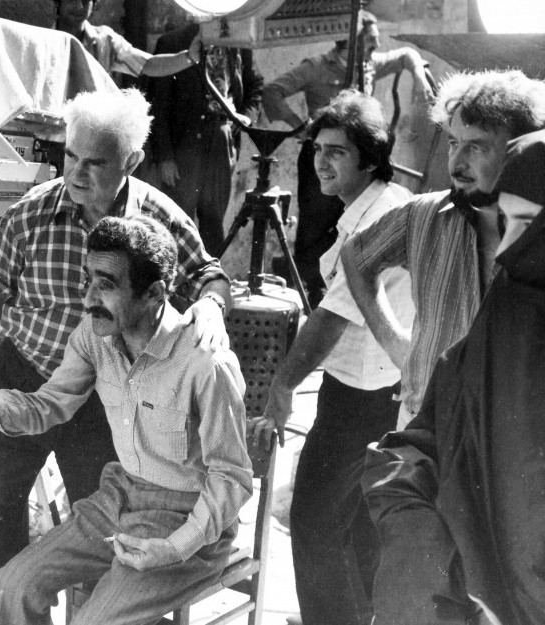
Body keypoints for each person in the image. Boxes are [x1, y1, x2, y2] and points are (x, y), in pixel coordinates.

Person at [0, 88, 233, 625]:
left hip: (108, 400)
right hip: (27, 374)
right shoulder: (28, 215)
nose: (76, 173)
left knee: (103, 539)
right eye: (70, 156)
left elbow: (209, 275)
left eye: (95, 163)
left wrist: (212, 308)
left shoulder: (158, 218)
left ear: (131, 161)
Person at [0, 215, 252, 625]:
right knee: (12, 586)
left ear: (155, 293)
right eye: (88, 281)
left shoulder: (205, 363)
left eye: (106, 285)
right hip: (119, 499)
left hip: (190, 523)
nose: (88, 299)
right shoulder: (94, 336)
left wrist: (176, 547)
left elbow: (232, 477)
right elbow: (47, 407)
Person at [360, 129, 545, 625]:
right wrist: (421, 549)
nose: (505, 250)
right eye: (505, 221)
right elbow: (420, 444)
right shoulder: (506, 308)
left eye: (530, 225)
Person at [250, 91, 414, 625]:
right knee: (358, 523)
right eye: (318, 149)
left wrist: (281, 387)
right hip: (384, 387)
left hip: (360, 396)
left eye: (337, 152)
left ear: (369, 159)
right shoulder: (382, 202)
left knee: (314, 522)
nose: (321, 161)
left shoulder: (373, 220)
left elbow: (330, 319)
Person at [341, 69, 545, 428]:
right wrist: (395, 343)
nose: (456, 163)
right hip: (423, 424)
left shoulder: (537, 232)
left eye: (477, 146)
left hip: (509, 436)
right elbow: (356, 256)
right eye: (453, 143)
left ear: (520, 150)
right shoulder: (422, 214)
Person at [263, 10, 432, 308]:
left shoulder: (369, 62)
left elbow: (407, 54)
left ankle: (345, 295)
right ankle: (311, 300)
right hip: (324, 159)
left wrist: (418, 75)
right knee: (315, 229)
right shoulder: (316, 67)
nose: (376, 47)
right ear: (350, 41)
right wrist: (301, 127)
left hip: (357, 160)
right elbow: (272, 91)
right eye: (370, 41)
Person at [148, 17, 264, 253]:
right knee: (176, 223)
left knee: (214, 223)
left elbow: (255, 84)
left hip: (221, 142)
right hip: (183, 146)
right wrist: (164, 157)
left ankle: (210, 275)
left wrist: (246, 117)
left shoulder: (237, 41)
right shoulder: (173, 42)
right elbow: (157, 103)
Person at [54, 0, 202, 80]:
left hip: (88, 125)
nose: (79, 6)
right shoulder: (45, 40)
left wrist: (189, 57)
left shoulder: (105, 40)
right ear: (58, 3)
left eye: (86, 1)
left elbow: (147, 64)